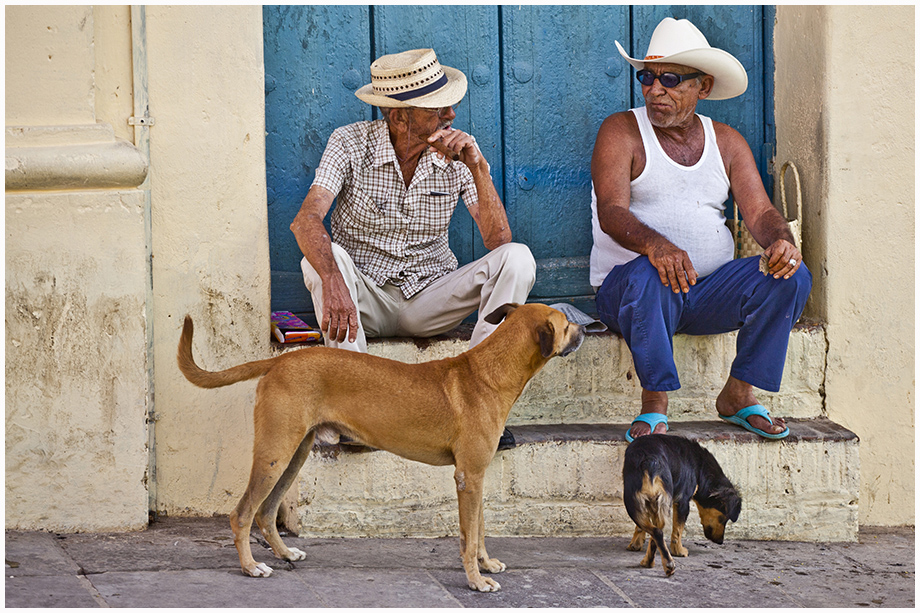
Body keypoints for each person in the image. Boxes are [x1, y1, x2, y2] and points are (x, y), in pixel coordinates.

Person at [291, 48, 536, 449]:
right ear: (399, 115)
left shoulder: (459, 153)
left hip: (427, 298)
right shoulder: (350, 143)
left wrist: (477, 167)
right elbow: (306, 220)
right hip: (364, 299)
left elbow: (499, 242)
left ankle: (482, 404)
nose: (451, 116)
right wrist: (333, 280)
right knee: (321, 258)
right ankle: (357, 417)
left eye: (449, 105)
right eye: (436, 108)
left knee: (518, 258)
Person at [590, 18, 812, 442]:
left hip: (707, 293)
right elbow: (612, 212)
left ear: (703, 87)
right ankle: (654, 403)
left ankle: (738, 394)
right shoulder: (621, 131)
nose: (656, 90)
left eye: (671, 79)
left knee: (791, 275)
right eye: (647, 78)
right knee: (648, 272)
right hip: (632, 295)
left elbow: (760, 212)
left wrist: (782, 241)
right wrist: (656, 246)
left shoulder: (727, 141)